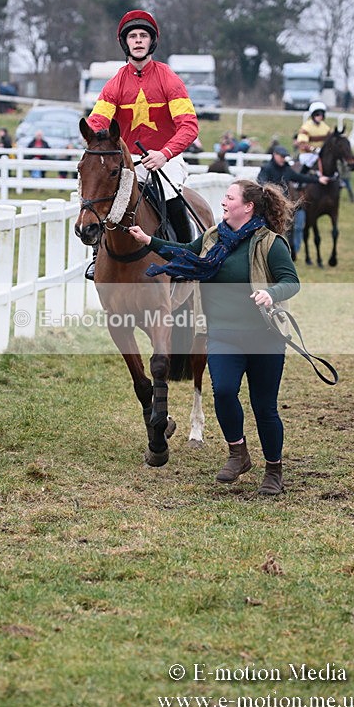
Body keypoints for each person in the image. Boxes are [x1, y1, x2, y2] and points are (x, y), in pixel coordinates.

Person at [128, 178, 300, 496]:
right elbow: (184, 251)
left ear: (247, 207)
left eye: (230, 197)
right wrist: (148, 240)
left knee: (264, 408)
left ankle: (273, 471)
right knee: (223, 392)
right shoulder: (212, 238)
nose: (223, 201)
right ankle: (238, 453)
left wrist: (271, 293)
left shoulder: (270, 243)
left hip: (264, 337)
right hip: (222, 333)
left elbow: (291, 281)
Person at [85, 9, 199, 279]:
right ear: (125, 43)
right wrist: (92, 137)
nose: (138, 40)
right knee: (103, 199)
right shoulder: (115, 83)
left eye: (143, 36)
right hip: (128, 162)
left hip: (165, 158)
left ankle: (185, 260)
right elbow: (97, 120)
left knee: (170, 195)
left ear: (152, 41)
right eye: (133, 36)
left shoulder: (169, 78)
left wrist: (165, 154)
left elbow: (189, 126)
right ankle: (97, 257)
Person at [257, 146, 329, 257]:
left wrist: (318, 180)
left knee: (288, 228)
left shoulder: (286, 169)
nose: (283, 159)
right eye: (281, 156)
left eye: (284, 157)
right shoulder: (267, 168)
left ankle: (291, 252)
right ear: (275, 155)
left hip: (283, 205)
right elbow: (261, 182)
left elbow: (300, 177)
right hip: (269, 205)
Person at [296, 101, 331, 172]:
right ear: (313, 115)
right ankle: (301, 177)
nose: (320, 117)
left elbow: (330, 140)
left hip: (321, 154)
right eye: (317, 114)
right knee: (310, 162)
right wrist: (314, 149)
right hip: (307, 154)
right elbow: (302, 144)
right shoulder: (306, 127)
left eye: (321, 114)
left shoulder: (326, 128)